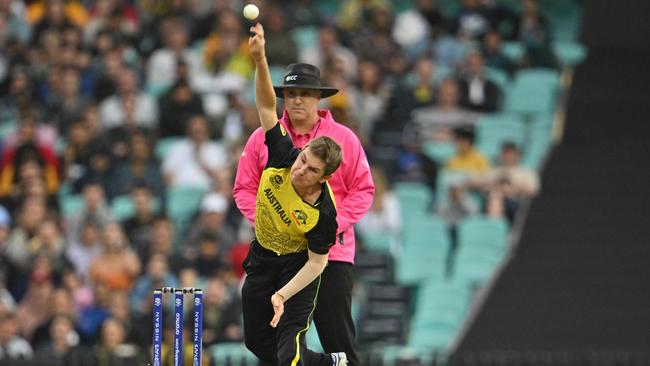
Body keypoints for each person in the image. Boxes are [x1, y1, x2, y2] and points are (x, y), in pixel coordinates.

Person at [234, 27, 375, 366]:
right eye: (291, 93)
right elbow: (244, 188)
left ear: (318, 98)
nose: (297, 99)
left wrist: (326, 226)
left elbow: (363, 190)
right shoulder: (267, 139)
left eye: (305, 93)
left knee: (336, 334)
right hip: (279, 254)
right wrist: (272, 222)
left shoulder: (344, 139)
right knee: (271, 340)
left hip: (330, 251)